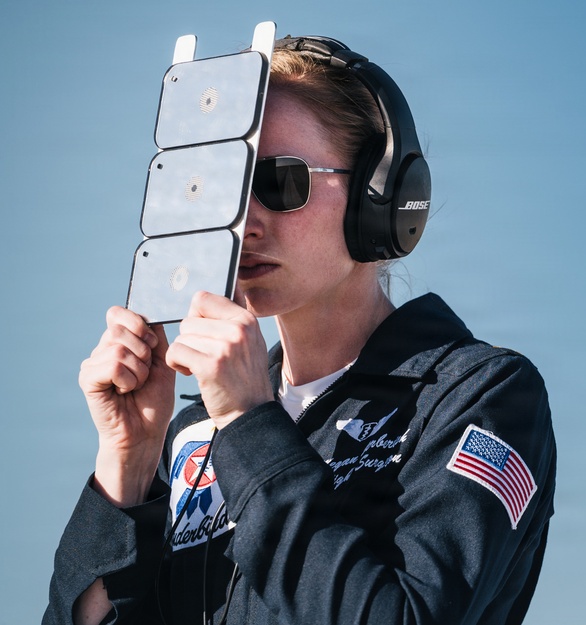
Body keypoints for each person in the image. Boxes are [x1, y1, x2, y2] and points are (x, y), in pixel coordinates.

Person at [44, 34, 556, 625]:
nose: (245, 222)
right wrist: (127, 468)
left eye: (280, 182)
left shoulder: (481, 397)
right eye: (225, 188)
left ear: (379, 196)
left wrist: (250, 428)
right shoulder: (190, 437)